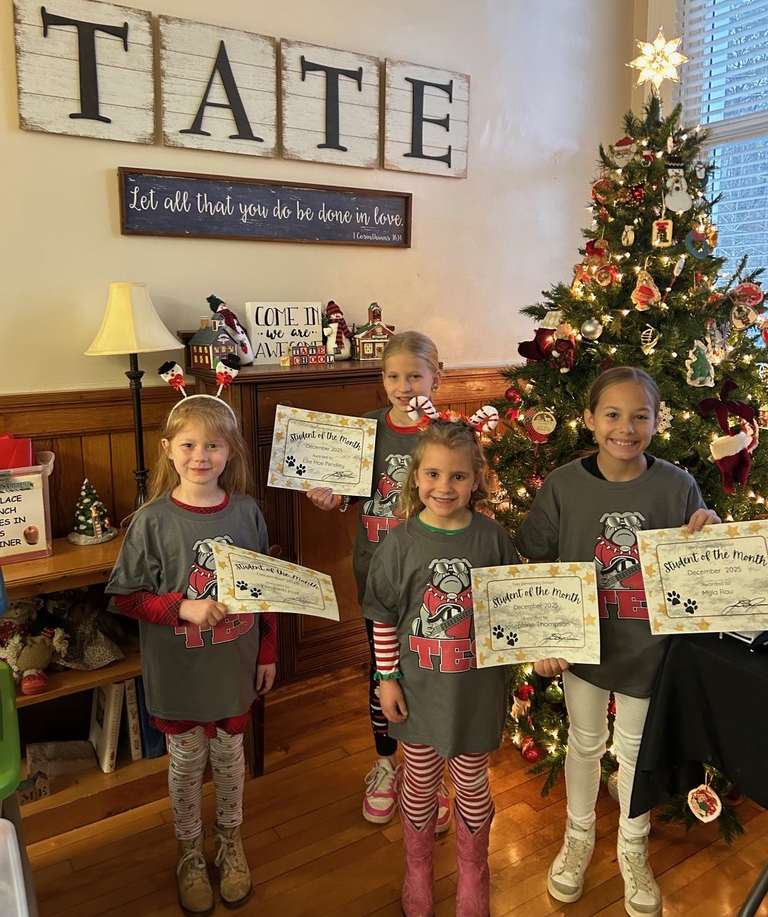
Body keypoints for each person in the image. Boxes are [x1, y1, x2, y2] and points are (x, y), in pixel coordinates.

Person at [515, 367, 720, 917]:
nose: (625, 428)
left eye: (639, 416)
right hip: (585, 649)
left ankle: (633, 846)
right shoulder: (562, 484)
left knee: (634, 751)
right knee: (583, 743)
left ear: (657, 421)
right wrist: (543, 634)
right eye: (612, 414)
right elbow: (535, 559)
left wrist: (712, 527)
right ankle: (578, 835)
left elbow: (701, 559)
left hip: (649, 651)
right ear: (589, 419)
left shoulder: (677, 485)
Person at [106, 394, 276, 917]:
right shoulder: (151, 521)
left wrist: (266, 650)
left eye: (213, 445)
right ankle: (189, 851)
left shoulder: (247, 511)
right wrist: (182, 606)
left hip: (233, 667)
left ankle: (230, 841)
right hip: (180, 673)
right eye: (189, 444)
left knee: (229, 759)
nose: (200, 455)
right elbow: (125, 596)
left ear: (230, 452)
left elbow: (266, 589)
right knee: (185, 765)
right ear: (168, 450)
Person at [362, 417, 519, 917]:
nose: (443, 487)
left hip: (475, 693)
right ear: (415, 478)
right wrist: (386, 679)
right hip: (417, 690)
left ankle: (474, 873)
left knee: (471, 781)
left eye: (456, 476)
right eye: (432, 474)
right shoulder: (398, 544)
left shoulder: (493, 539)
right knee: (420, 779)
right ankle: (418, 869)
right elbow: (384, 619)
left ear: (477, 480)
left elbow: (515, 606)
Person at [307, 331, 452, 830]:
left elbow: (468, 491)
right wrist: (332, 497)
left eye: (415, 375)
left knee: (431, 670)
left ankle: (427, 775)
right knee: (383, 669)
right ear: (381, 378)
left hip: (434, 578)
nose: (404, 385)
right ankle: (387, 763)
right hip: (378, 576)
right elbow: (347, 493)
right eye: (393, 376)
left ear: (437, 375)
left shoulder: (447, 433)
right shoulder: (366, 428)